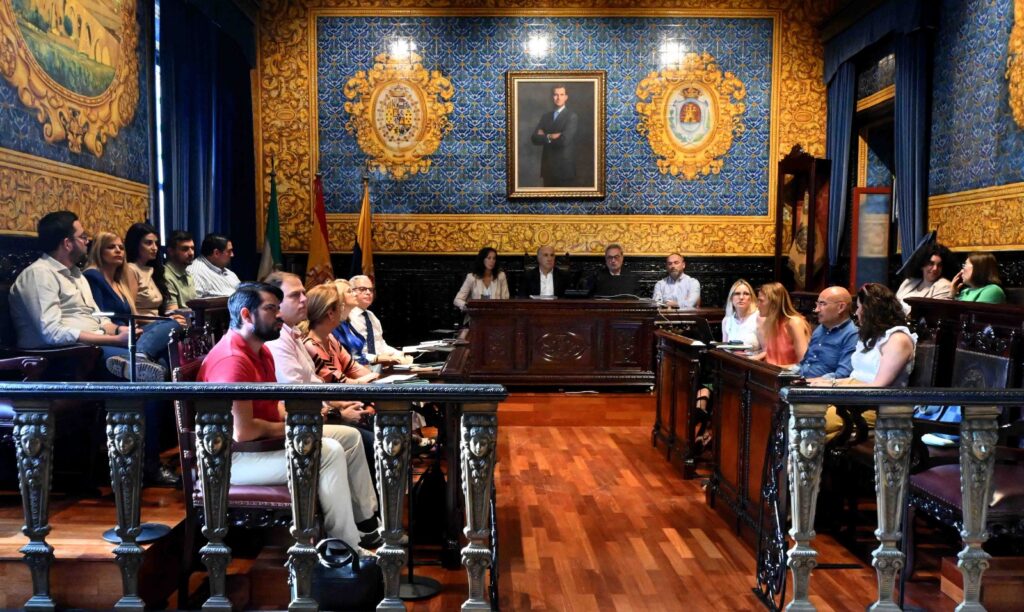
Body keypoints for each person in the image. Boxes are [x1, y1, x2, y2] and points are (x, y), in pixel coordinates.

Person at [197, 282, 373, 553]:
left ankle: (366, 525)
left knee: (348, 437)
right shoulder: (232, 360)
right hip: (229, 460)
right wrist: (298, 426)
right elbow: (243, 432)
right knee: (328, 451)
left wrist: (306, 421)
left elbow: (275, 407)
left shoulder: (261, 350)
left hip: (259, 446)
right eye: (271, 309)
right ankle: (343, 548)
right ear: (246, 315)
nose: (279, 315)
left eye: (278, 308)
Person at [8, 211, 172, 380]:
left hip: (96, 343)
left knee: (169, 335)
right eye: (82, 237)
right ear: (67, 243)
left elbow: (98, 317)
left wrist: (118, 329)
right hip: (66, 354)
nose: (87, 241)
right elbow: (52, 333)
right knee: (155, 367)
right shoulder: (40, 274)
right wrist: (115, 340)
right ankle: (138, 360)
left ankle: (140, 356)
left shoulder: (77, 274)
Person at [807, 284, 917, 439]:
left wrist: (832, 385)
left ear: (871, 310)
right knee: (799, 414)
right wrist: (825, 382)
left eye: (859, 307)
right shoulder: (873, 336)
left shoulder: (897, 340)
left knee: (809, 422)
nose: (857, 312)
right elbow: (856, 377)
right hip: (850, 397)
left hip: (874, 406)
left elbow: (878, 387)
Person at [302, 284, 379, 385]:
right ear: (330, 314)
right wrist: (371, 378)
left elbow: (352, 367)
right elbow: (340, 383)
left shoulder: (330, 338)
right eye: (340, 306)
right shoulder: (310, 345)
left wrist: (375, 378)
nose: (342, 309)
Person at [798, 286, 858, 379]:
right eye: (817, 304)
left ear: (841, 307)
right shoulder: (820, 329)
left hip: (821, 386)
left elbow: (842, 375)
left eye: (822, 304)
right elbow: (804, 363)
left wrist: (812, 382)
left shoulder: (852, 334)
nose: (816, 310)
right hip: (801, 380)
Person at [348, 275, 411, 364]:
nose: (368, 293)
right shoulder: (346, 317)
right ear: (351, 291)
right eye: (363, 289)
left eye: (371, 289)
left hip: (378, 366)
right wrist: (376, 358)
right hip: (358, 364)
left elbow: (380, 345)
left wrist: (399, 354)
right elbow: (351, 351)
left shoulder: (371, 316)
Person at [530, 84, 579, 187]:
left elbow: (564, 141)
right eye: (556, 95)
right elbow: (534, 138)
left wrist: (544, 136)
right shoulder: (545, 117)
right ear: (552, 97)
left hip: (564, 169)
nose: (558, 98)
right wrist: (551, 136)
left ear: (566, 97)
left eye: (561, 94)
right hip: (548, 168)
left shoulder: (571, 116)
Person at [752, 282, 811, 368]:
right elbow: (771, 355)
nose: (757, 305)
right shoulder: (770, 321)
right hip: (769, 372)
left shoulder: (794, 323)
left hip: (784, 374)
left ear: (774, 303)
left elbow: (803, 364)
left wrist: (772, 367)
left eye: (761, 301)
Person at [895, 243, 955, 314]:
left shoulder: (944, 286)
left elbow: (935, 314)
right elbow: (893, 304)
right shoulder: (909, 281)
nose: (935, 268)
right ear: (922, 265)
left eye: (939, 265)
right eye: (931, 263)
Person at [454, 247, 509, 311]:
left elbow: (505, 300)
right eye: (489, 258)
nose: (492, 261)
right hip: (476, 314)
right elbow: (457, 300)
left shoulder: (501, 276)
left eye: (494, 258)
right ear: (482, 259)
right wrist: (468, 307)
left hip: (496, 314)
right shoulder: (471, 277)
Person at [189, 233, 240, 297]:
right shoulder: (195, 272)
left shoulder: (229, 273)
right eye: (229, 251)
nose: (232, 255)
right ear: (216, 253)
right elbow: (194, 301)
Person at [721, 279, 760, 348]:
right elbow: (724, 349)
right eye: (737, 294)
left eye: (746, 294)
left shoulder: (759, 318)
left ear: (751, 298)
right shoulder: (726, 321)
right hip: (731, 355)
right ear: (731, 298)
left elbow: (768, 350)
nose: (741, 297)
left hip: (754, 355)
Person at [164, 230, 197, 311]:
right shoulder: (165, 276)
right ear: (171, 251)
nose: (191, 253)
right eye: (185, 249)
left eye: (192, 248)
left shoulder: (188, 274)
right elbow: (173, 312)